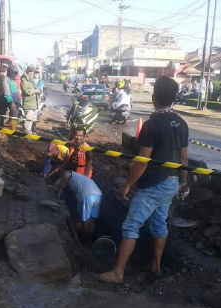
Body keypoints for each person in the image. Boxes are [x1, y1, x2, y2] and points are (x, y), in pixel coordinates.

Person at [96, 76, 189, 284]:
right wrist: (183, 183)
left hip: (153, 184)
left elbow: (142, 161)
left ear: (154, 96)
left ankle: (118, 273)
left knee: (131, 226)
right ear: (174, 98)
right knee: (159, 225)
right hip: (171, 183)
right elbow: (183, 159)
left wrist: (127, 186)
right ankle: (156, 266)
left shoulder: (152, 125)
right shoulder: (182, 124)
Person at [56, 171, 102, 244]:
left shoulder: (70, 174)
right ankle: (90, 241)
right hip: (98, 195)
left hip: (87, 196)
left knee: (85, 222)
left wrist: (60, 186)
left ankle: (84, 242)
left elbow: (66, 175)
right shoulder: (80, 178)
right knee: (92, 220)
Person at [20, 66, 40, 134]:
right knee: (28, 121)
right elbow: (26, 91)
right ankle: (27, 137)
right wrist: (35, 91)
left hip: (32, 103)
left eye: (32, 71)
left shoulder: (31, 79)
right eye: (30, 71)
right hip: (28, 104)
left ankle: (27, 136)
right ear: (27, 71)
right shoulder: (24, 79)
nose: (31, 72)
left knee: (30, 120)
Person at [7, 64, 21, 131]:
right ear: (9, 72)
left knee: (14, 117)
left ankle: (11, 131)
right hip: (12, 102)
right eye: (13, 73)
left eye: (15, 73)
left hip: (16, 101)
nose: (14, 74)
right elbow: (7, 93)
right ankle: (12, 132)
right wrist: (11, 102)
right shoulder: (7, 80)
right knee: (14, 116)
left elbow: (16, 91)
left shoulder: (13, 80)